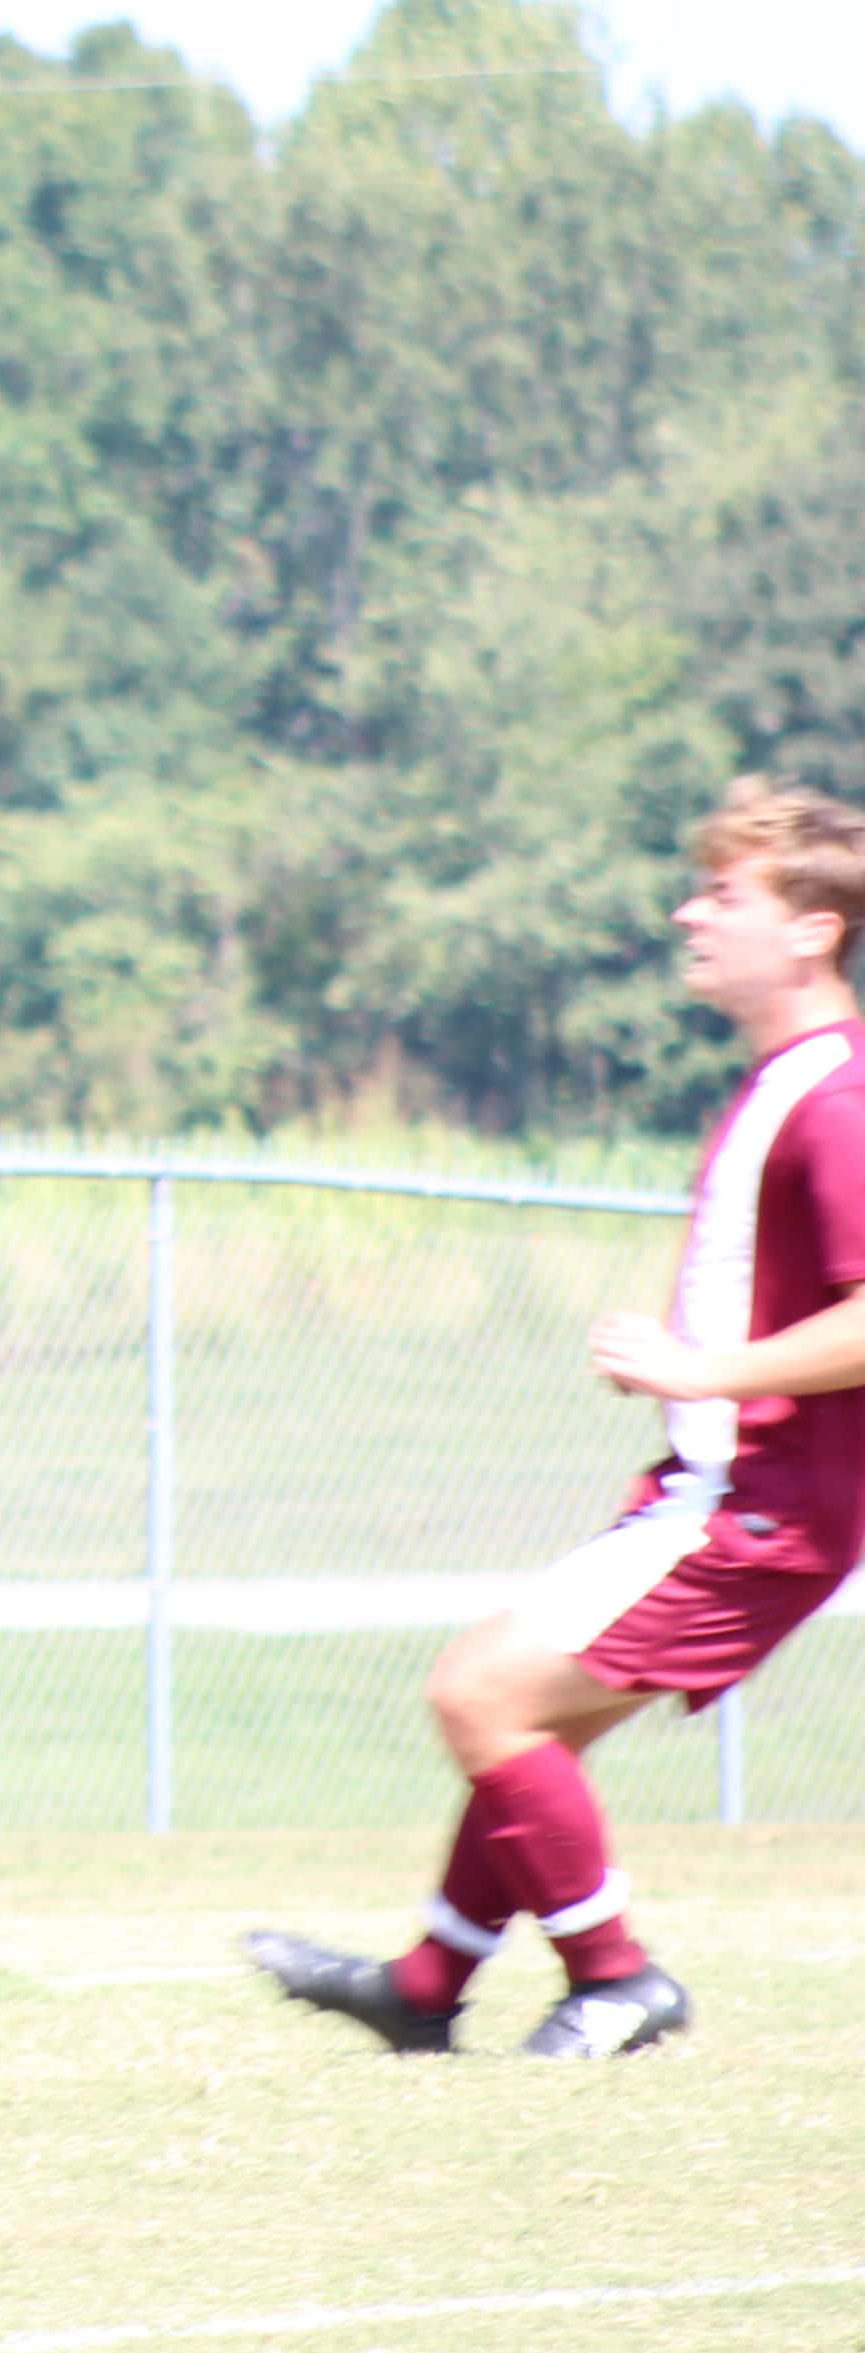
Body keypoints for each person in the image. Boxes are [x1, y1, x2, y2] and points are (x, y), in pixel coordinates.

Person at [248, 778, 865, 2059]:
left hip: (762, 1508)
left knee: (479, 1696)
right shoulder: (785, 1083)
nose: (690, 911)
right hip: (715, 1494)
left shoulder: (837, 1103)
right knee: (530, 1735)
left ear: (811, 928)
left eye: (726, 893)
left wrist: (709, 1372)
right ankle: (425, 1988)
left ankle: (620, 1980)